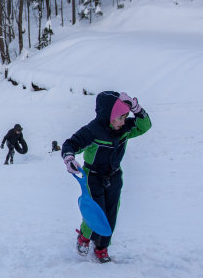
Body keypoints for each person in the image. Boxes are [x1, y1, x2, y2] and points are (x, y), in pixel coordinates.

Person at [61, 91, 152, 263]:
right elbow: (70, 144)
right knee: (95, 211)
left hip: (114, 175)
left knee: (111, 212)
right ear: (109, 115)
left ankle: (102, 247)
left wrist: (136, 108)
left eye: (126, 117)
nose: (124, 121)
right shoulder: (92, 130)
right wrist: (69, 158)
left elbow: (145, 126)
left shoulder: (125, 128)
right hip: (93, 176)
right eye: (120, 117)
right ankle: (84, 237)